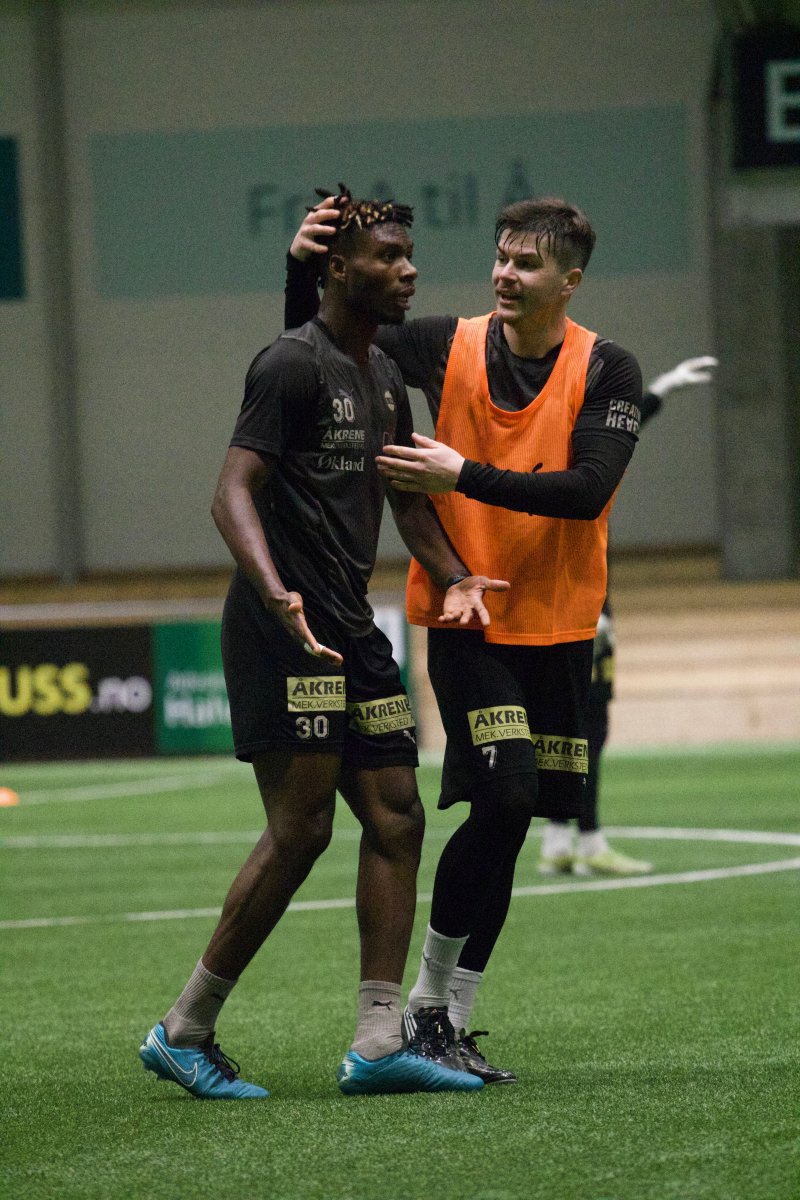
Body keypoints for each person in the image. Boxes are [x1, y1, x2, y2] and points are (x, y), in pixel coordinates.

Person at [139, 187, 511, 1101]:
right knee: (302, 830)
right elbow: (231, 490)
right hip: (285, 633)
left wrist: (455, 570)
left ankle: (379, 1042)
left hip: (353, 629)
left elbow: (408, 497)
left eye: (409, 254)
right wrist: (275, 594)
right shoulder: (289, 364)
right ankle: (183, 1029)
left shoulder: (382, 375)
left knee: (397, 817)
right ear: (338, 269)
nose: (409, 268)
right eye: (388, 255)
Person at [285, 192, 645, 1083]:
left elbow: (587, 490)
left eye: (527, 263)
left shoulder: (610, 368)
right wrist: (299, 269)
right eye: (500, 257)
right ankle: (423, 1007)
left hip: (558, 624)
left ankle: (450, 1016)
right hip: (468, 614)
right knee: (510, 796)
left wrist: (461, 472)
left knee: (511, 821)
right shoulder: (447, 341)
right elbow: (319, 348)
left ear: (570, 280)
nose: (504, 273)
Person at [539, 355, 718, 877]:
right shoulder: (564, 466)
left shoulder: (580, 452)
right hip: (576, 609)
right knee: (586, 725)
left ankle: (557, 839)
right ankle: (586, 842)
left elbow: (626, 422)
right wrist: (588, 610)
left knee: (575, 724)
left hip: (589, 603)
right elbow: (559, 539)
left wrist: (661, 389)